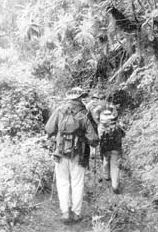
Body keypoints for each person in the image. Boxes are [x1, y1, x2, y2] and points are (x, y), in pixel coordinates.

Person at [45, 87, 98, 224]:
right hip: (79, 154)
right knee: (77, 183)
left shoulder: (59, 110)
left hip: (60, 152)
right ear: (81, 97)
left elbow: (49, 129)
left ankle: (65, 213)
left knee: (62, 182)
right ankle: (76, 213)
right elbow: (93, 139)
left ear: (68, 97)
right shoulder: (85, 113)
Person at [97, 96, 125, 194]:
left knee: (106, 161)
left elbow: (99, 139)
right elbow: (123, 135)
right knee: (115, 166)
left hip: (105, 148)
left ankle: (106, 176)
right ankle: (115, 185)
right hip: (116, 148)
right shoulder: (117, 125)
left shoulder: (100, 127)